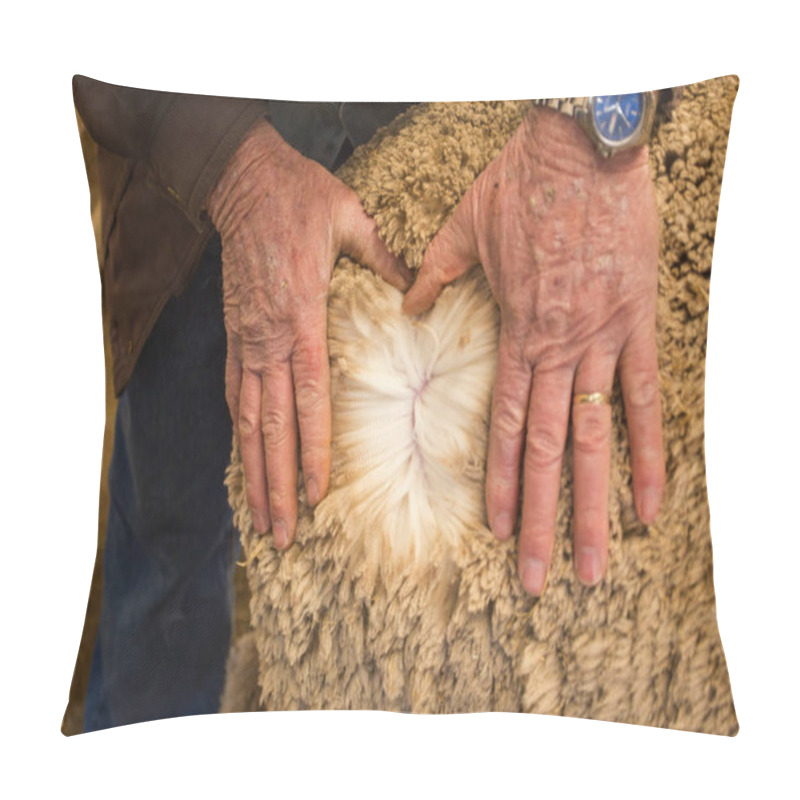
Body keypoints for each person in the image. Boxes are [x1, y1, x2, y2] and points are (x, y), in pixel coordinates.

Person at [72, 76, 667, 729]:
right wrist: (232, 168)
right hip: (209, 142)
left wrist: (591, 124)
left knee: (496, 609)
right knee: (171, 534)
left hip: (480, 129)